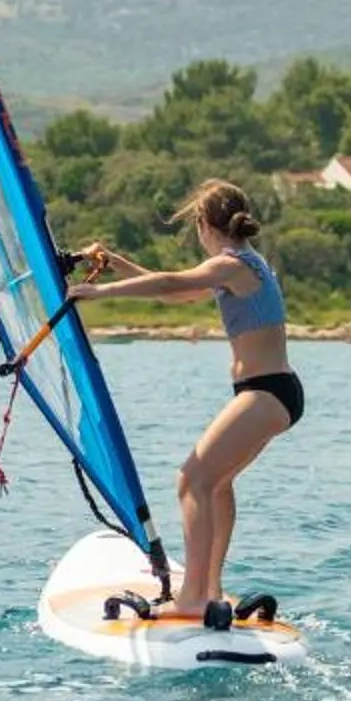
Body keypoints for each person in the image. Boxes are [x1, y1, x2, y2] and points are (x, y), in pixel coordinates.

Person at [67, 180, 301, 629]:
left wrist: (99, 294)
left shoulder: (232, 264)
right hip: (274, 392)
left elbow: (174, 281)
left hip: (265, 392)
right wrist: (114, 264)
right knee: (216, 484)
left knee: (191, 479)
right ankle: (210, 591)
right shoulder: (244, 264)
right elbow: (178, 292)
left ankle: (192, 596)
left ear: (203, 225)